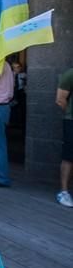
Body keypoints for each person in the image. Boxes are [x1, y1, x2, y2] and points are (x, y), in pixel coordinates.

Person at [55, 67, 73, 207]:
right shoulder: (70, 73)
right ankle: (64, 191)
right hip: (71, 121)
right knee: (69, 156)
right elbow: (60, 100)